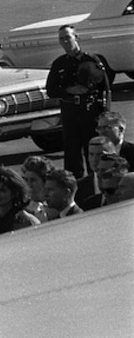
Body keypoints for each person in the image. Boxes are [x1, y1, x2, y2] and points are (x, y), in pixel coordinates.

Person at [45, 25, 110, 178]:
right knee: (72, 152)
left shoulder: (91, 59)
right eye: (61, 38)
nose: (65, 41)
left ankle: (96, 184)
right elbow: (51, 90)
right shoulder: (59, 64)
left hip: (90, 110)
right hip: (70, 112)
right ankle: (77, 187)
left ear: (76, 37)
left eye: (68, 37)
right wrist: (68, 90)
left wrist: (105, 114)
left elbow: (105, 88)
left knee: (93, 150)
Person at [75, 136, 116, 203]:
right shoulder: (78, 187)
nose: (94, 159)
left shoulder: (124, 183)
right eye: (91, 154)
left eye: (99, 154)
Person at [20, 156, 56, 222]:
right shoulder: (21, 206)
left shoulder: (56, 207)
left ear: (45, 181)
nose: (28, 184)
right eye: (26, 180)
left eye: (33, 180)